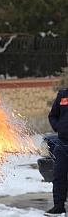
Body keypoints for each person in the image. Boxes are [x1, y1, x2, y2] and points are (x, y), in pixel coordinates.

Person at [46, 88, 68, 216]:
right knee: (58, 175)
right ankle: (58, 206)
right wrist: (58, 127)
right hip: (62, 143)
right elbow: (52, 115)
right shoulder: (63, 95)